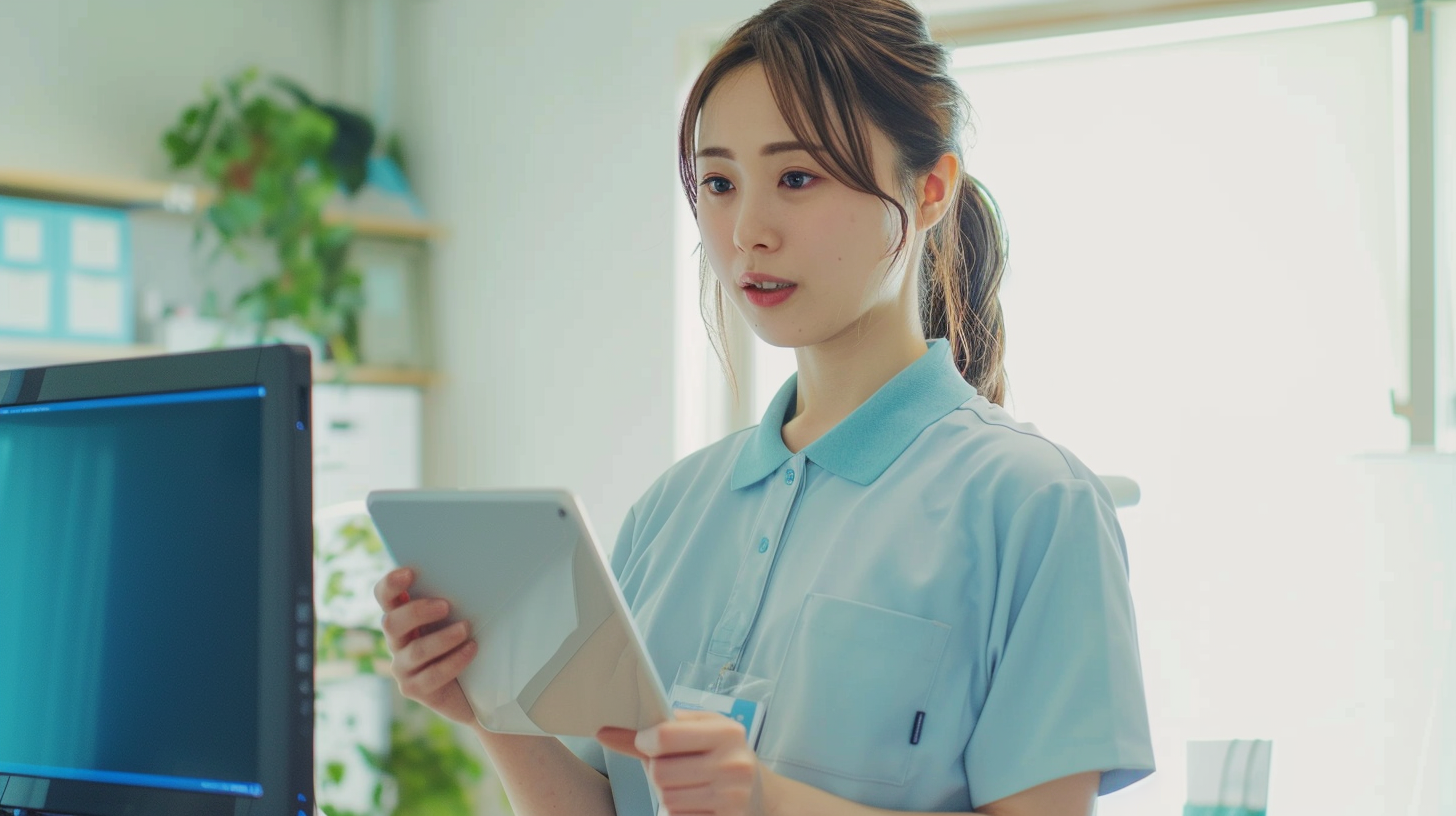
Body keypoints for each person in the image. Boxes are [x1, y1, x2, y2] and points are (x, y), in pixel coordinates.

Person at [373, 0, 1156, 813]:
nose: (747, 230)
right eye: (718, 183)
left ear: (930, 190)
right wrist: (494, 711)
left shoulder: (1036, 503)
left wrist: (765, 800)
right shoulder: (672, 511)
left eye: (797, 177)